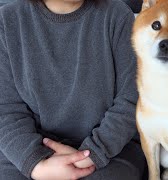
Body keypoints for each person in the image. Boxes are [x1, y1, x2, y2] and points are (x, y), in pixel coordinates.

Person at [0, 0, 145, 179]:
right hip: (28, 148)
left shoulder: (118, 15)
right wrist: (36, 164)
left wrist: (92, 154)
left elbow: (131, 99)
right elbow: (6, 111)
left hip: (111, 149)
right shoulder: (7, 20)